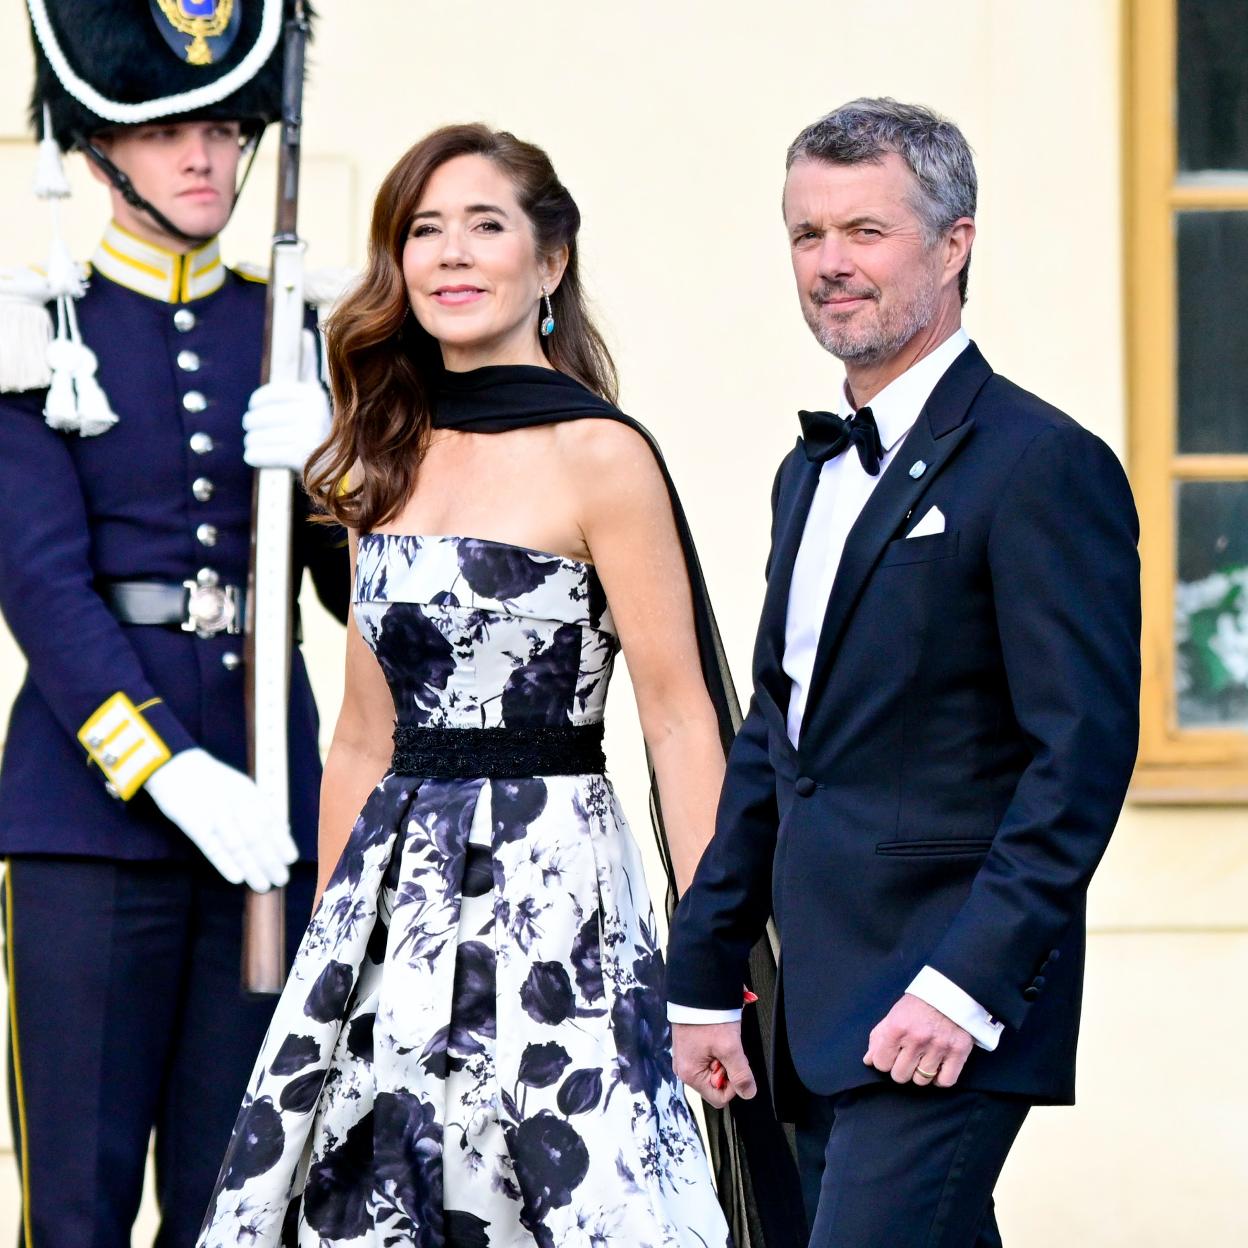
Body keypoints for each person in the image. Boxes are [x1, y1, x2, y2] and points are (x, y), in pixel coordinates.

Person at [198, 122, 803, 1248]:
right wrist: (336, 949)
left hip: (557, 888)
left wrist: (717, 943)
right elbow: (361, 742)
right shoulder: (380, 453)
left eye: (486, 225)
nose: (452, 254)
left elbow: (677, 717)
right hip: (395, 905)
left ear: (550, 263)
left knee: (584, 1201)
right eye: (425, 231)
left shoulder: (601, 455)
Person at [666, 98, 1141, 1248]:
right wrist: (705, 972)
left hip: (949, 998)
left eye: (865, 232)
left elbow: (1077, 757)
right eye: (806, 235)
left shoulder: (1043, 465)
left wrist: (965, 984)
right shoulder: (807, 473)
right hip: (820, 1004)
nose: (830, 265)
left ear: (955, 242)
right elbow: (782, 739)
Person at [0, 3, 348, 1244]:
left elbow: (361, 601)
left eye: (225, 126)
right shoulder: (42, 324)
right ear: (99, 145)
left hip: (270, 806)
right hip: (93, 814)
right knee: (80, 1204)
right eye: (165, 130)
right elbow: (40, 586)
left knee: (242, 1201)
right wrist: (170, 765)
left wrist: (340, 482)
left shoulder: (299, 330)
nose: (203, 156)